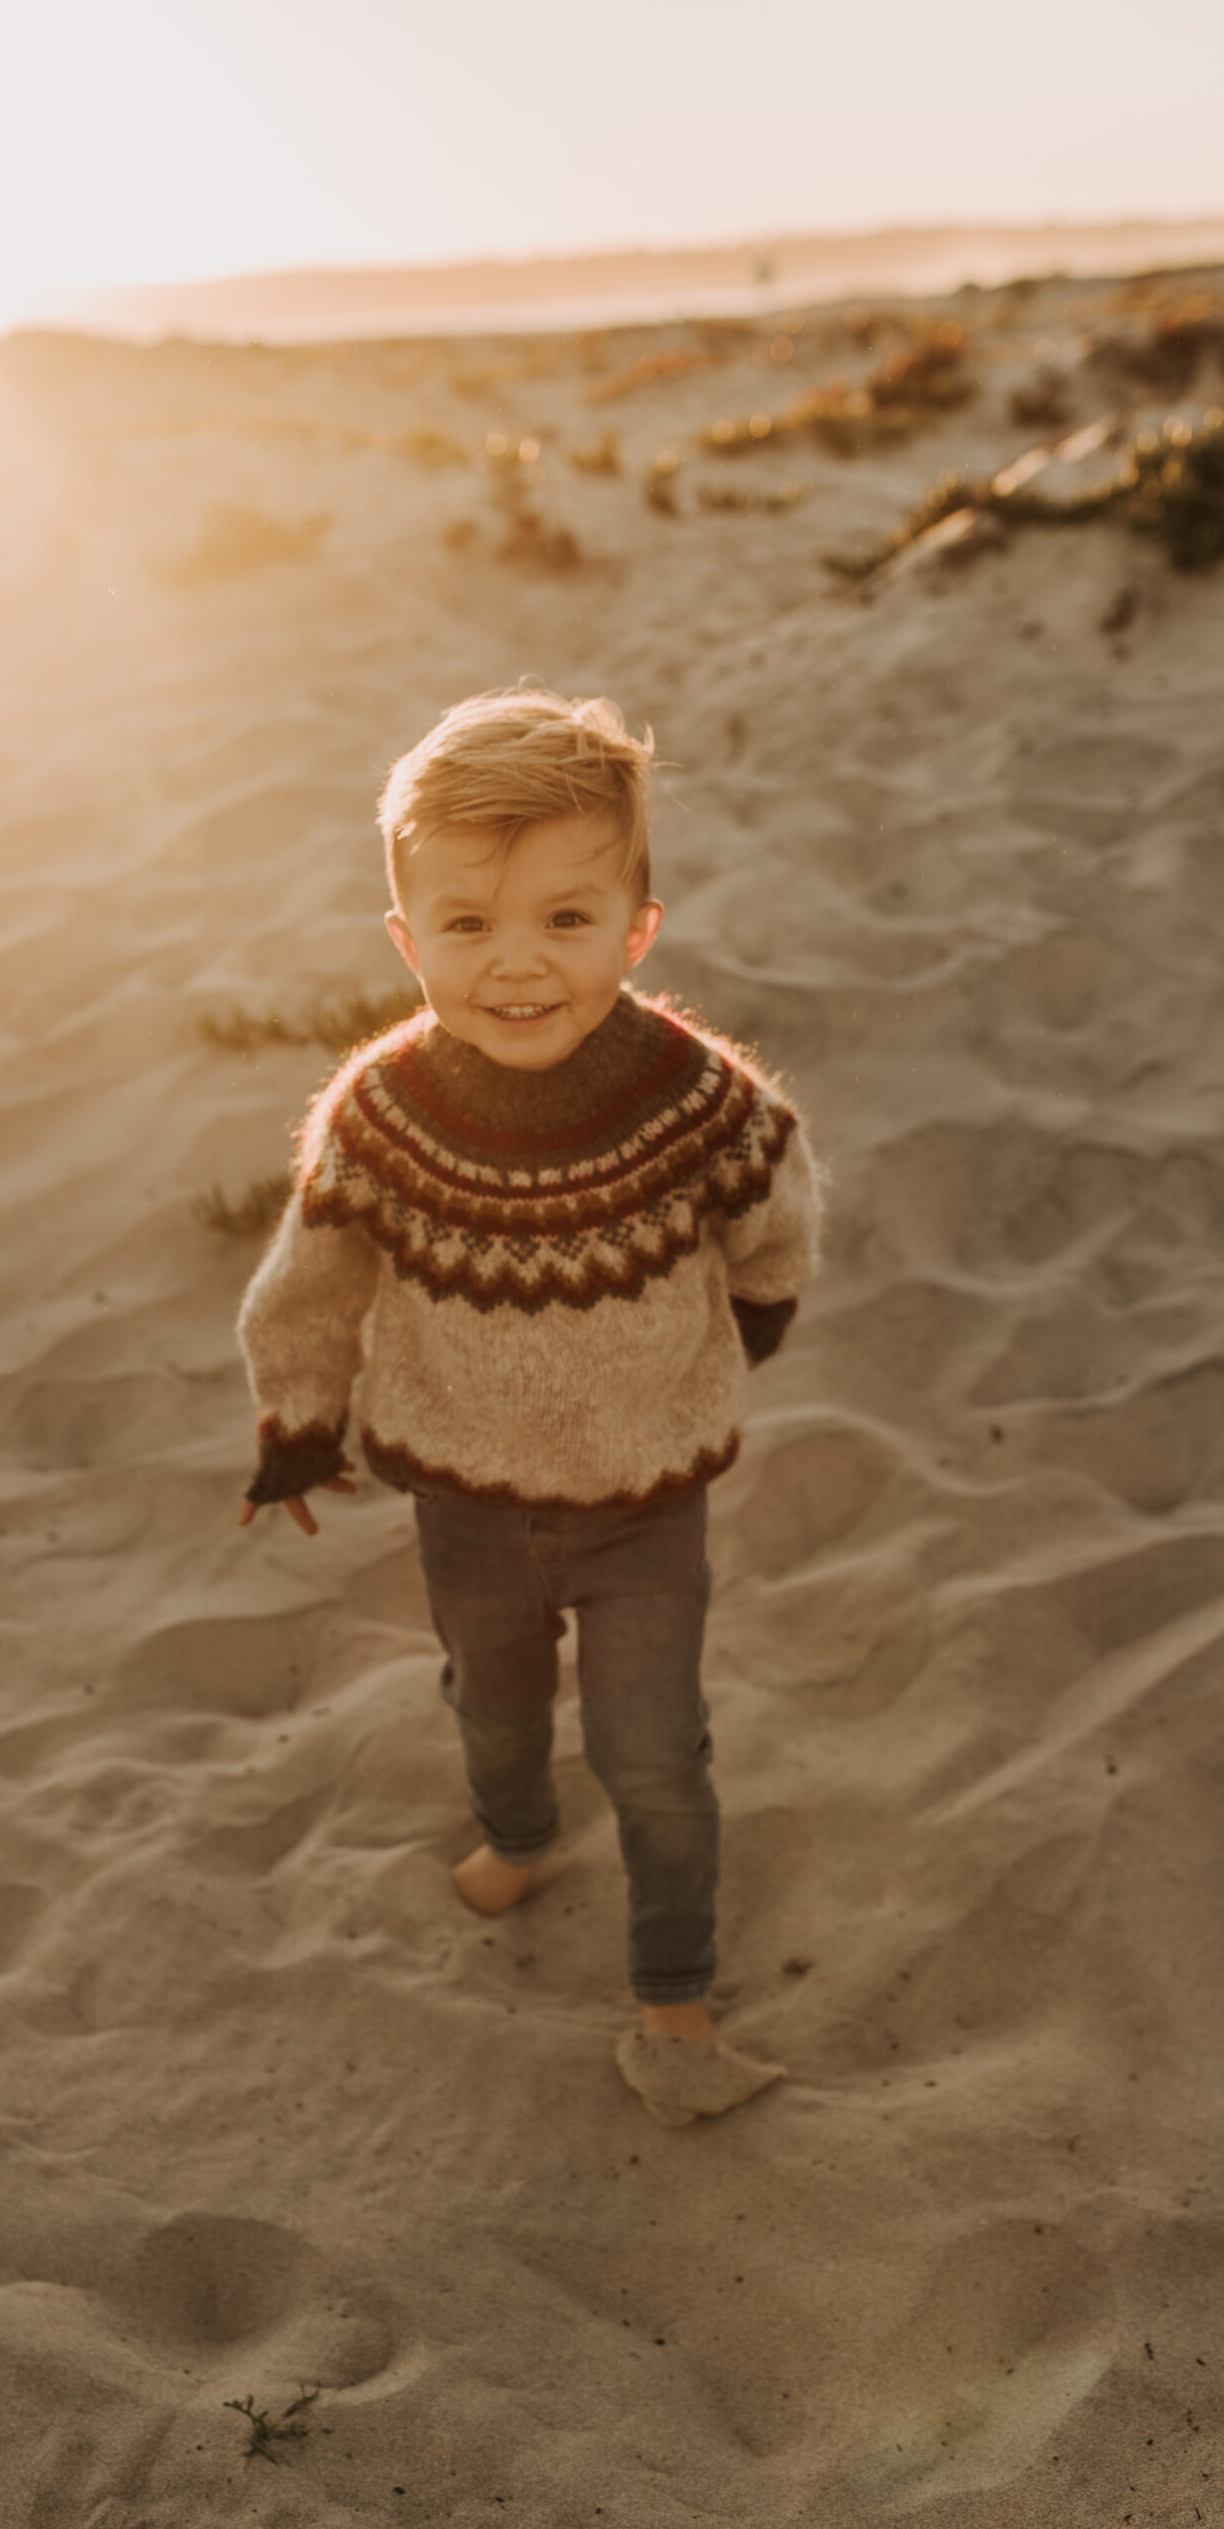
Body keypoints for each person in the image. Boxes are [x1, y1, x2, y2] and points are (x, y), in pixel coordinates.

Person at [235, 686, 820, 2128]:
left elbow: (777, 1205)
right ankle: (517, 1831)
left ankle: (672, 2000)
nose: (517, 967)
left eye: (566, 922)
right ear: (407, 940)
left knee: (657, 1754)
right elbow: (307, 1287)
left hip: (644, 1502)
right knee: (491, 1706)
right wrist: (299, 1422)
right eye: (469, 926)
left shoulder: (698, 1100)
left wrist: (756, 1314)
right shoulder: (381, 1116)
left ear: (636, 929)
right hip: (469, 1500)